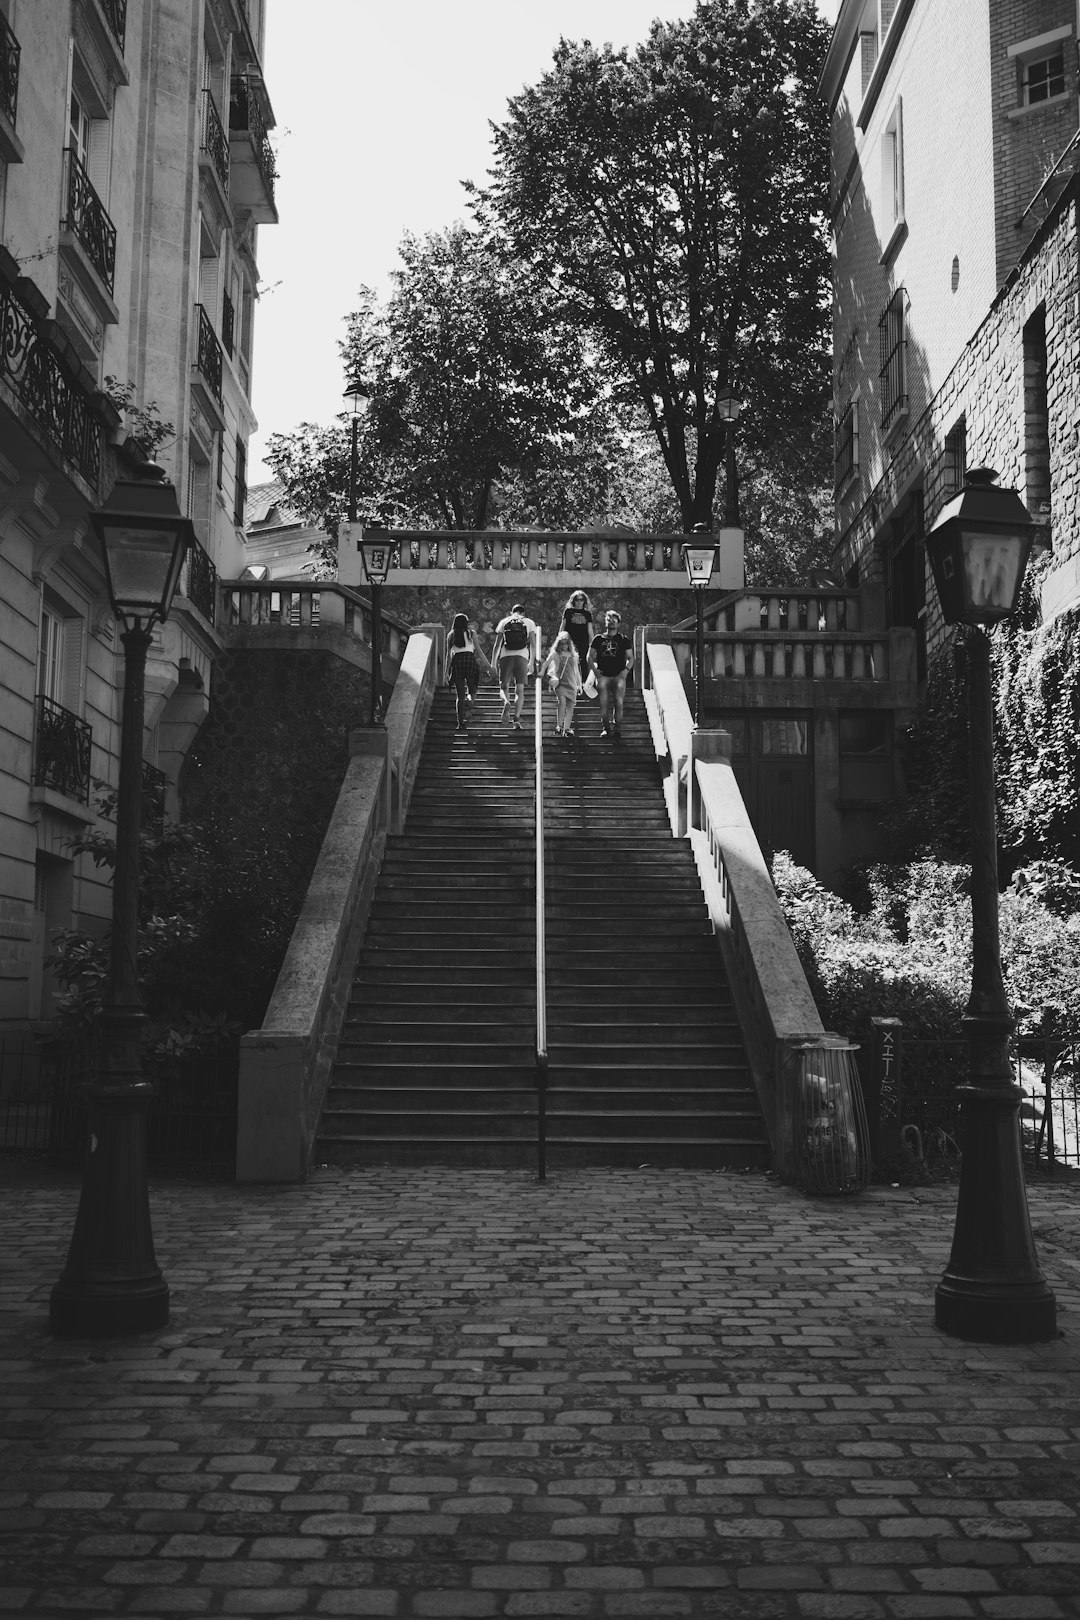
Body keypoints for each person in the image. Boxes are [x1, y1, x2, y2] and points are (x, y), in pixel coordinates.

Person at [490, 601, 537, 729]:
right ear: (523, 613)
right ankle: (516, 719)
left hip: (506, 656)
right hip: (522, 657)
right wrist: (531, 662)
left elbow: (497, 645)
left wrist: (493, 664)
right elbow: (533, 643)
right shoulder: (529, 622)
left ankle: (506, 702)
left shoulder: (504, 621)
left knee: (504, 686)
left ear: (512, 612)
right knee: (519, 689)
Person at [588, 609, 634, 739]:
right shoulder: (598, 639)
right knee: (604, 704)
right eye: (609, 620)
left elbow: (631, 658)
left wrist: (626, 671)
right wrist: (596, 672)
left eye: (614, 620)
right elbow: (589, 657)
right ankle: (606, 729)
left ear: (618, 623)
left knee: (619, 703)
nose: (611, 622)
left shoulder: (624, 640)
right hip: (603, 677)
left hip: (619, 676)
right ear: (605, 622)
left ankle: (617, 729)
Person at [444, 613, 484, 731]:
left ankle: (460, 723)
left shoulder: (451, 635)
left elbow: (448, 655)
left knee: (460, 696)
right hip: (469, 661)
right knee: (472, 690)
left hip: (457, 662)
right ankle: (468, 702)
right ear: (466, 623)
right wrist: (489, 666)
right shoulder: (471, 633)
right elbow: (479, 651)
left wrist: (446, 672)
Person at [540, 629, 582, 738]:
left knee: (570, 706)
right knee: (562, 702)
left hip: (571, 683)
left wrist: (579, 685)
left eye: (566, 643)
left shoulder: (574, 655)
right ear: (559, 643)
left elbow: (576, 671)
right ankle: (559, 726)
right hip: (560, 683)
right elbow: (546, 663)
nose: (564, 646)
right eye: (562, 643)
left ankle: (567, 728)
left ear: (569, 643)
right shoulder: (555, 653)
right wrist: (541, 672)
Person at [559, 590, 595, 677]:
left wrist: (593, 644)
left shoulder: (587, 614)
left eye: (581, 600)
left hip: (583, 641)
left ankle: (583, 684)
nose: (579, 602)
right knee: (569, 661)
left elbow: (590, 630)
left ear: (584, 601)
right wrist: (560, 639)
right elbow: (562, 626)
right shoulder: (568, 611)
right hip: (570, 641)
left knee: (583, 663)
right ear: (573, 601)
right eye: (577, 600)